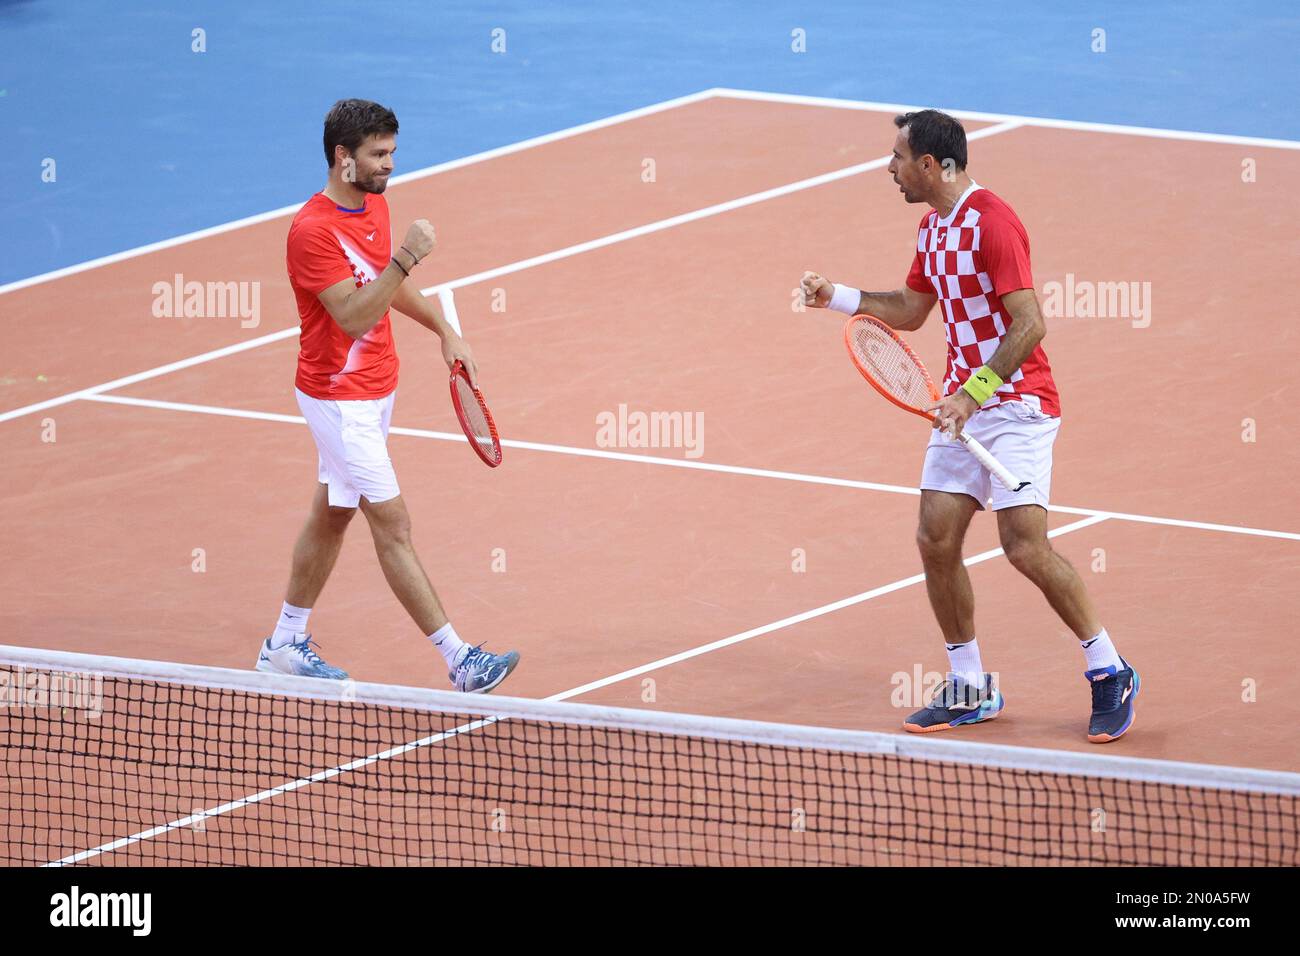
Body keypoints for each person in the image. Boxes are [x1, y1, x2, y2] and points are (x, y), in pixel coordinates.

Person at [800, 109, 1137, 742]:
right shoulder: (933, 229)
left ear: (930, 164)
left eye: (898, 157)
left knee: (1024, 545)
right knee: (936, 536)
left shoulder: (993, 222)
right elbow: (910, 309)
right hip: (964, 407)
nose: (889, 168)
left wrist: (974, 393)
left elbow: (1030, 323)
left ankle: (1109, 668)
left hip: (1018, 406)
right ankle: (970, 684)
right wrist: (836, 296)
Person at [255, 98, 519, 693]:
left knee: (333, 513)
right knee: (392, 524)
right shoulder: (311, 232)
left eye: (392, 152)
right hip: (338, 398)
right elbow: (352, 314)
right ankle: (460, 659)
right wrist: (407, 256)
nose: (389, 165)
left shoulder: (375, 205)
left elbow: (385, 288)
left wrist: (444, 330)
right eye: (378, 154)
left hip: (377, 390)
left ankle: (285, 644)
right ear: (342, 157)